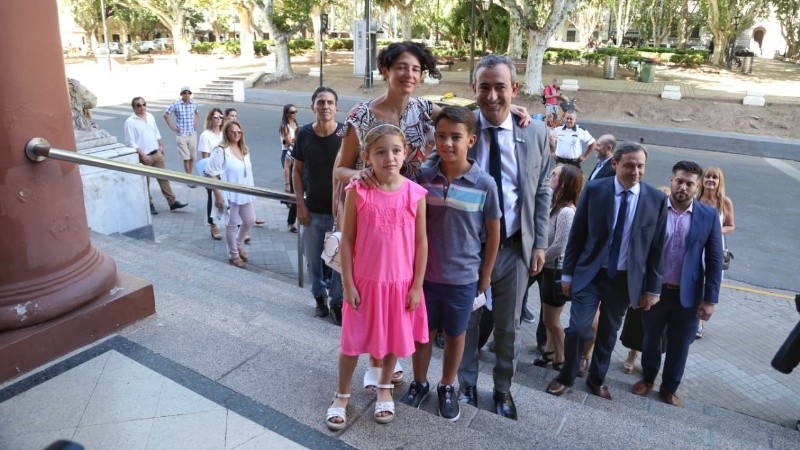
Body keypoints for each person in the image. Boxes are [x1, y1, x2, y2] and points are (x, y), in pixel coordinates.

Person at [456, 54, 551, 421]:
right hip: (468, 250)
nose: (493, 96)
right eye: (485, 87)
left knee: (507, 328)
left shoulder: (536, 131)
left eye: (501, 87)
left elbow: (543, 189)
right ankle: (465, 385)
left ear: (514, 89)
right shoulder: (460, 126)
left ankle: (502, 390)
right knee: (467, 322)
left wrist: (539, 242)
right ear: (473, 90)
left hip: (514, 249)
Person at [546, 141, 668, 401]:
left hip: (624, 280)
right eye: (629, 165)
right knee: (578, 328)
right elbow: (577, 235)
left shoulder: (656, 200)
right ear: (615, 164)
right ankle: (566, 376)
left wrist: (652, 289)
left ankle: (597, 379)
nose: (635, 171)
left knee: (609, 333)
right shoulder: (595, 189)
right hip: (590, 273)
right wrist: (567, 274)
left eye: (640, 166)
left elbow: (657, 249)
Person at [324, 124, 428, 430]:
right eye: (380, 152)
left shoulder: (415, 194)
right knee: (352, 342)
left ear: (405, 152)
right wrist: (347, 283)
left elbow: (421, 242)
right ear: (368, 156)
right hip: (365, 283)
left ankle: (385, 387)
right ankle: (342, 394)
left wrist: (417, 285)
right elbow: (347, 239)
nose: (389, 158)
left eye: (395, 150)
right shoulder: (358, 191)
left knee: (394, 337)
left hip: (401, 283)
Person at [401, 106, 501, 421]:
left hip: (463, 278)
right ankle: (419, 382)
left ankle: (447, 385)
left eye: (455, 137)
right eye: (441, 136)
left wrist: (484, 277)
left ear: (470, 140)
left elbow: (494, 233)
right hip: (425, 276)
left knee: (457, 335)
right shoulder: (423, 178)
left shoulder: (484, 183)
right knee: (423, 334)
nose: (447, 143)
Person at [631, 161, 723, 407]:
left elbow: (714, 259)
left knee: (680, 345)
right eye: (679, 181)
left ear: (698, 186)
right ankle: (648, 378)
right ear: (671, 181)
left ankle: (669, 388)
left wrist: (710, 300)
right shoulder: (655, 207)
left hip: (689, 296)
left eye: (690, 183)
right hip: (655, 291)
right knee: (650, 340)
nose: (683, 187)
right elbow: (640, 248)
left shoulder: (708, 215)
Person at [292, 87, 344, 324]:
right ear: (313, 106)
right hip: (311, 212)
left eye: (330, 102)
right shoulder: (303, 134)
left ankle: (337, 302)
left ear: (336, 106)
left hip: (339, 213)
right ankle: (319, 297)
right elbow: (297, 169)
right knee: (314, 261)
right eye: (321, 102)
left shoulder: (345, 134)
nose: (325, 107)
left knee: (338, 263)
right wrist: (300, 205)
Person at [532, 164, 582, 371]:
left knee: (551, 320)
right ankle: (551, 353)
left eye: (553, 174)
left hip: (557, 271)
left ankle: (562, 360)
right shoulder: (555, 205)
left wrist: (538, 258)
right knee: (549, 318)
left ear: (562, 183)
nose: (549, 176)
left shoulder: (566, 213)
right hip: (550, 269)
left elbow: (561, 246)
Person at [619, 184, 671, 374]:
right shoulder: (647, 217)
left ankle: (652, 363)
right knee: (638, 318)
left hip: (667, 280)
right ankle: (632, 353)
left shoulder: (675, 220)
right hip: (645, 277)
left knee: (660, 328)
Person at [204, 120, 256, 269]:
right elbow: (210, 173)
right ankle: (233, 255)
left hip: (245, 191)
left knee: (250, 220)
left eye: (239, 132)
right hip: (230, 193)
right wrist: (218, 194)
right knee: (232, 224)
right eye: (232, 131)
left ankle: (238, 245)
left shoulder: (244, 148)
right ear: (226, 133)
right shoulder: (221, 150)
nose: (236, 134)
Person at [123, 96, 187, 215]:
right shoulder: (130, 122)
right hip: (143, 156)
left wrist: (161, 146)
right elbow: (131, 142)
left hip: (156, 153)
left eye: (144, 104)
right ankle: (149, 204)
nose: (142, 107)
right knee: (145, 182)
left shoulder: (150, 116)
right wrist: (142, 156)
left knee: (163, 178)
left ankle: (172, 202)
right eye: (138, 105)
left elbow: (156, 132)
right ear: (133, 108)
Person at [696, 166, 735, 339]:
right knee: (695, 281)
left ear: (720, 182)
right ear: (702, 180)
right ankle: (696, 320)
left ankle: (699, 319)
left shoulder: (724, 202)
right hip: (696, 248)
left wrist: (715, 231)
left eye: (715, 177)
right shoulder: (695, 198)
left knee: (709, 283)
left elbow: (731, 225)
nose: (711, 180)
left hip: (713, 250)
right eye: (708, 177)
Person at [197, 108, 225, 240]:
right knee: (212, 197)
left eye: (220, 117)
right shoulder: (205, 135)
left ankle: (236, 225)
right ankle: (213, 225)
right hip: (212, 171)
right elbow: (205, 158)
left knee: (230, 197)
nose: (218, 119)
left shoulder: (225, 133)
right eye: (215, 117)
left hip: (225, 170)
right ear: (210, 119)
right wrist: (209, 176)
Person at [163, 86, 199, 183]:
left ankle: (190, 175)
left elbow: (196, 113)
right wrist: (172, 127)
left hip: (192, 133)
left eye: (188, 93)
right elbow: (165, 114)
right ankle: (189, 179)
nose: (187, 95)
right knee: (186, 158)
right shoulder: (176, 104)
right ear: (181, 94)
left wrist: (196, 122)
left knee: (192, 157)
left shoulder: (194, 103)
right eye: (185, 93)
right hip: (182, 134)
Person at [280, 104, 299, 233]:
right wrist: (297, 140)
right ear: (287, 114)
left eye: (295, 111)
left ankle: (286, 199)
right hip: (288, 155)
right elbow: (289, 142)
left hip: (297, 154)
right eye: (292, 112)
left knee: (296, 190)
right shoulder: (284, 127)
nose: (294, 114)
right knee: (293, 189)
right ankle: (290, 222)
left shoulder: (295, 124)